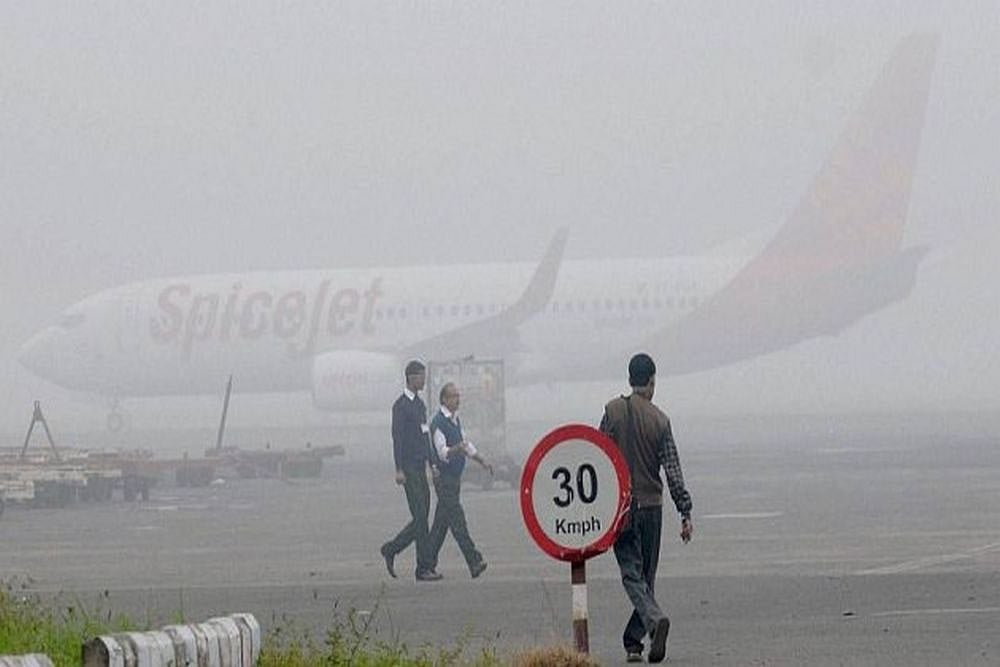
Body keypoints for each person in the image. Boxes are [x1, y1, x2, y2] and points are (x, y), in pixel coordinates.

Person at [599, 353, 693, 664]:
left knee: (631, 574)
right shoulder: (660, 420)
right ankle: (635, 641)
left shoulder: (611, 411)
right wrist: (685, 512)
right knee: (646, 576)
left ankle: (647, 628)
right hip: (652, 507)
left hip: (621, 508)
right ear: (651, 382)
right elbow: (673, 469)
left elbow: (597, 456)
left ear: (630, 380)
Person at [380, 360, 442, 582]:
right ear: (411, 377)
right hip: (408, 468)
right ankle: (423, 568)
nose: (424, 380)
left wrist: (432, 464)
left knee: (421, 516)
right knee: (420, 518)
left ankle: (392, 549)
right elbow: (397, 438)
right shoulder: (401, 406)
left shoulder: (419, 405)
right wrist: (398, 469)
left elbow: (425, 437)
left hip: (420, 466)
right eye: (421, 376)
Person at [426, 382, 491, 579]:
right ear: (444, 399)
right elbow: (442, 452)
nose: (458, 400)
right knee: (458, 521)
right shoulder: (438, 423)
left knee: (441, 524)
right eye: (454, 396)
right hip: (444, 479)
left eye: (458, 396)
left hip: (454, 479)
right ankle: (474, 560)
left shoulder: (455, 420)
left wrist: (480, 460)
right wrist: (457, 449)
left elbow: (466, 444)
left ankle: (425, 564)